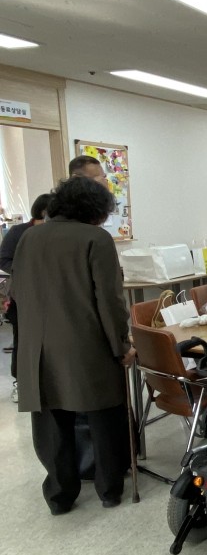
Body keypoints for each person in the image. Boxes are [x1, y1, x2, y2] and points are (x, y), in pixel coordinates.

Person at [13, 177, 135, 515]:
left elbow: (18, 291)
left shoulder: (29, 237)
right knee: (104, 417)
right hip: (86, 345)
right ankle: (109, 489)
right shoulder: (96, 239)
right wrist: (121, 345)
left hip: (37, 348)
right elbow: (109, 301)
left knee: (52, 423)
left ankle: (59, 495)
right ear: (95, 210)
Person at [0, 193, 53, 403]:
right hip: (22, 297)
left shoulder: (54, 234)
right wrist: (25, 271)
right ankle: (20, 384)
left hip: (51, 297)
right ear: (44, 212)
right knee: (23, 340)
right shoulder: (19, 232)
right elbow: (4, 259)